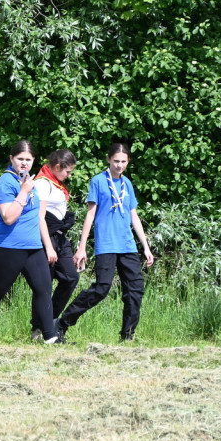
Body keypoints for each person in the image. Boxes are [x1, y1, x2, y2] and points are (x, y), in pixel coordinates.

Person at [57, 143, 155, 342]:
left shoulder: (127, 184)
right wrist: (82, 246)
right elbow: (90, 214)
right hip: (107, 244)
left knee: (135, 290)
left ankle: (127, 336)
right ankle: (61, 324)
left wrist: (145, 246)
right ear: (109, 159)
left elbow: (133, 216)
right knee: (101, 289)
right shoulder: (98, 181)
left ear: (128, 162)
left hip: (127, 245)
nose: (119, 165)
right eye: (116, 161)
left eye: (123, 162)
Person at [0, 140, 61, 345]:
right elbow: (8, 217)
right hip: (9, 247)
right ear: (12, 158)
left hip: (33, 247)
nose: (24, 163)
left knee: (43, 288)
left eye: (28, 159)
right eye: (20, 159)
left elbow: (37, 215)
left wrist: (47, 245)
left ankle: (50, 337)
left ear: (34, 161)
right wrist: (24, 192)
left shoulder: (30, 181)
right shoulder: (6, 182)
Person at [35, 149, 79, 321]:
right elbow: (40, 216)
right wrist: (48, 247)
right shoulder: (43, 183)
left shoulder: (55, 183)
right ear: (58, 166)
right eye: (67, 171)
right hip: (48, 237)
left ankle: (49, 320)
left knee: (71, 277)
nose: (69, 175)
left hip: (60, 237)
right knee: (45, 284)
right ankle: (39, 327)